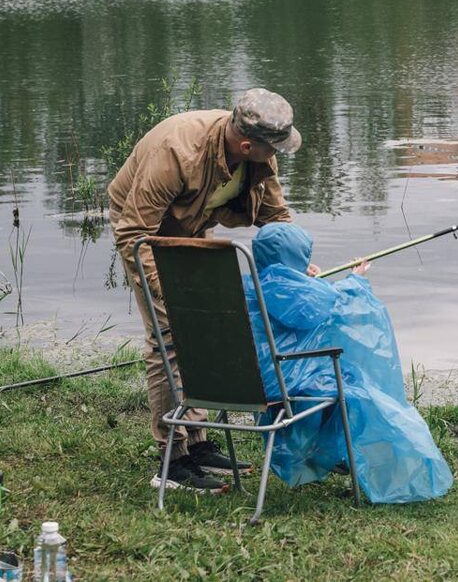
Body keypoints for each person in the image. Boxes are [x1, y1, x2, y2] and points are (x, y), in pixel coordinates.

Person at [108, 87, 314, 493]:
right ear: (245, 144)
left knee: (203, 333)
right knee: (170, 337)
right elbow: (133, 233)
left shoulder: (258, 156)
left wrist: (296, 262)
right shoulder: (175, 152)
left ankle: (197, 441)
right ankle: (172, 459)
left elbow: (277, 217)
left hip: (191, 224)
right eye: (272, 149)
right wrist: (166, 293)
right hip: (143, 231)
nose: (277, 156)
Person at [245, 223, 453, 503]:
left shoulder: (248, 286)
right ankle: (391, 474)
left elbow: (301, 302)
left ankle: (330, 455)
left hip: (241, 386)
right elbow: (336, 304)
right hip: (280, 384)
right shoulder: (294, 292)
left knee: (335, 382)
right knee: (356, 388)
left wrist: (305, 280)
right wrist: (356, 278)